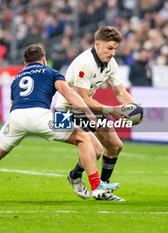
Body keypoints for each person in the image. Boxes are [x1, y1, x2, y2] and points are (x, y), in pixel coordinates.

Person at [0, 44, 120, 203]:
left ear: (25, 63)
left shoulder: (17, 78)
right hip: (40, 116)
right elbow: (68, 92)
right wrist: (87, 112)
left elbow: (13, 103)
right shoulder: (50, 72)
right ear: (44, 60)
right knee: (84, 138)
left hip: (16, 118)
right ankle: (95, 186)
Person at [55, 26, 143, 201]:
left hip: (86, 111)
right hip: (66, 111)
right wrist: (111, 110)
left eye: (115, 49)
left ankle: (102, 189)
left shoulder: (111, 63)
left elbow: (119, 92)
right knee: (95, 150)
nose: (113, 53)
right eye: (110, 48)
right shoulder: (84, 62)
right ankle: (77, 177)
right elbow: (82, 98)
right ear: (97, 44)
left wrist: (134, 106)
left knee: (115, 146)